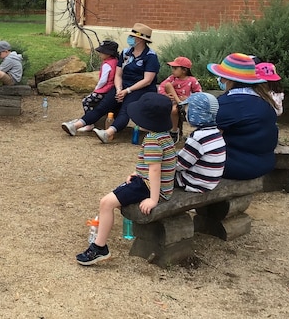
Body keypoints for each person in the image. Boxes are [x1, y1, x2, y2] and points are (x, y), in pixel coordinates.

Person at [76, 93, 176, 266]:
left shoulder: (153, 140)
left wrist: (153, 199)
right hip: (152, 183)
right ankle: (99, 245)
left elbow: (155, 170)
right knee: (112, 198)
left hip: (147, 187)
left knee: (106, 203)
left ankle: (99, 247)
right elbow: (157, 165)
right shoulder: (165, 136)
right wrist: (138, 172)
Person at [67, 23, 159, 143]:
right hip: (122, 86)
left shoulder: (150, 56)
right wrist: (119, 89)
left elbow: (147, 80)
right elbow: (118, 74)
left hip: (140, 89)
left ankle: (108, 133)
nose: (130, 39)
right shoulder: (125, 53)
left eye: (133, 36)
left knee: (126, 109)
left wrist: (127, 91)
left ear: (141, 39)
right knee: (103, 105)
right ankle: (75, 126)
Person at [207, 53, 277, 180]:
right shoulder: (264, 100)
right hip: (264, 163)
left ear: (227, 78)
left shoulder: (228, 103)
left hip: (238, 167)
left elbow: (209, 139)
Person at [62, 40, 119, 135]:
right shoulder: (115, 62)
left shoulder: (107, 64)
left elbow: (103, 80)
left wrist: (96, 88)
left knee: (86, 101)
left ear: (108, 54)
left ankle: (89, 123)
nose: (99, 54)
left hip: (103, 90)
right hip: (110, 90)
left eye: (102, 52)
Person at [174, 92, 226, 193]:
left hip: (194, 182)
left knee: (155, 174)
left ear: (195, 113)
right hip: (210, 182)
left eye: (187, 111)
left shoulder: (198, 137)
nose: (185, 114)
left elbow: (180, 164)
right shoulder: (215, 132)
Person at [157, 56, 202, 142]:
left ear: (184, 70)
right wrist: (166, 95)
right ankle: (174, 131)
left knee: (178, 110)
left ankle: (180, 105)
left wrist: (189, 98)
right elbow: (161, 87)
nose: (172, 70)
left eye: (175, 68)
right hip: (174, 101)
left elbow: (199, 93)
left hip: (186, 103)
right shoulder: (172, 78)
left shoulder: (192, 80)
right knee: (168, 86)